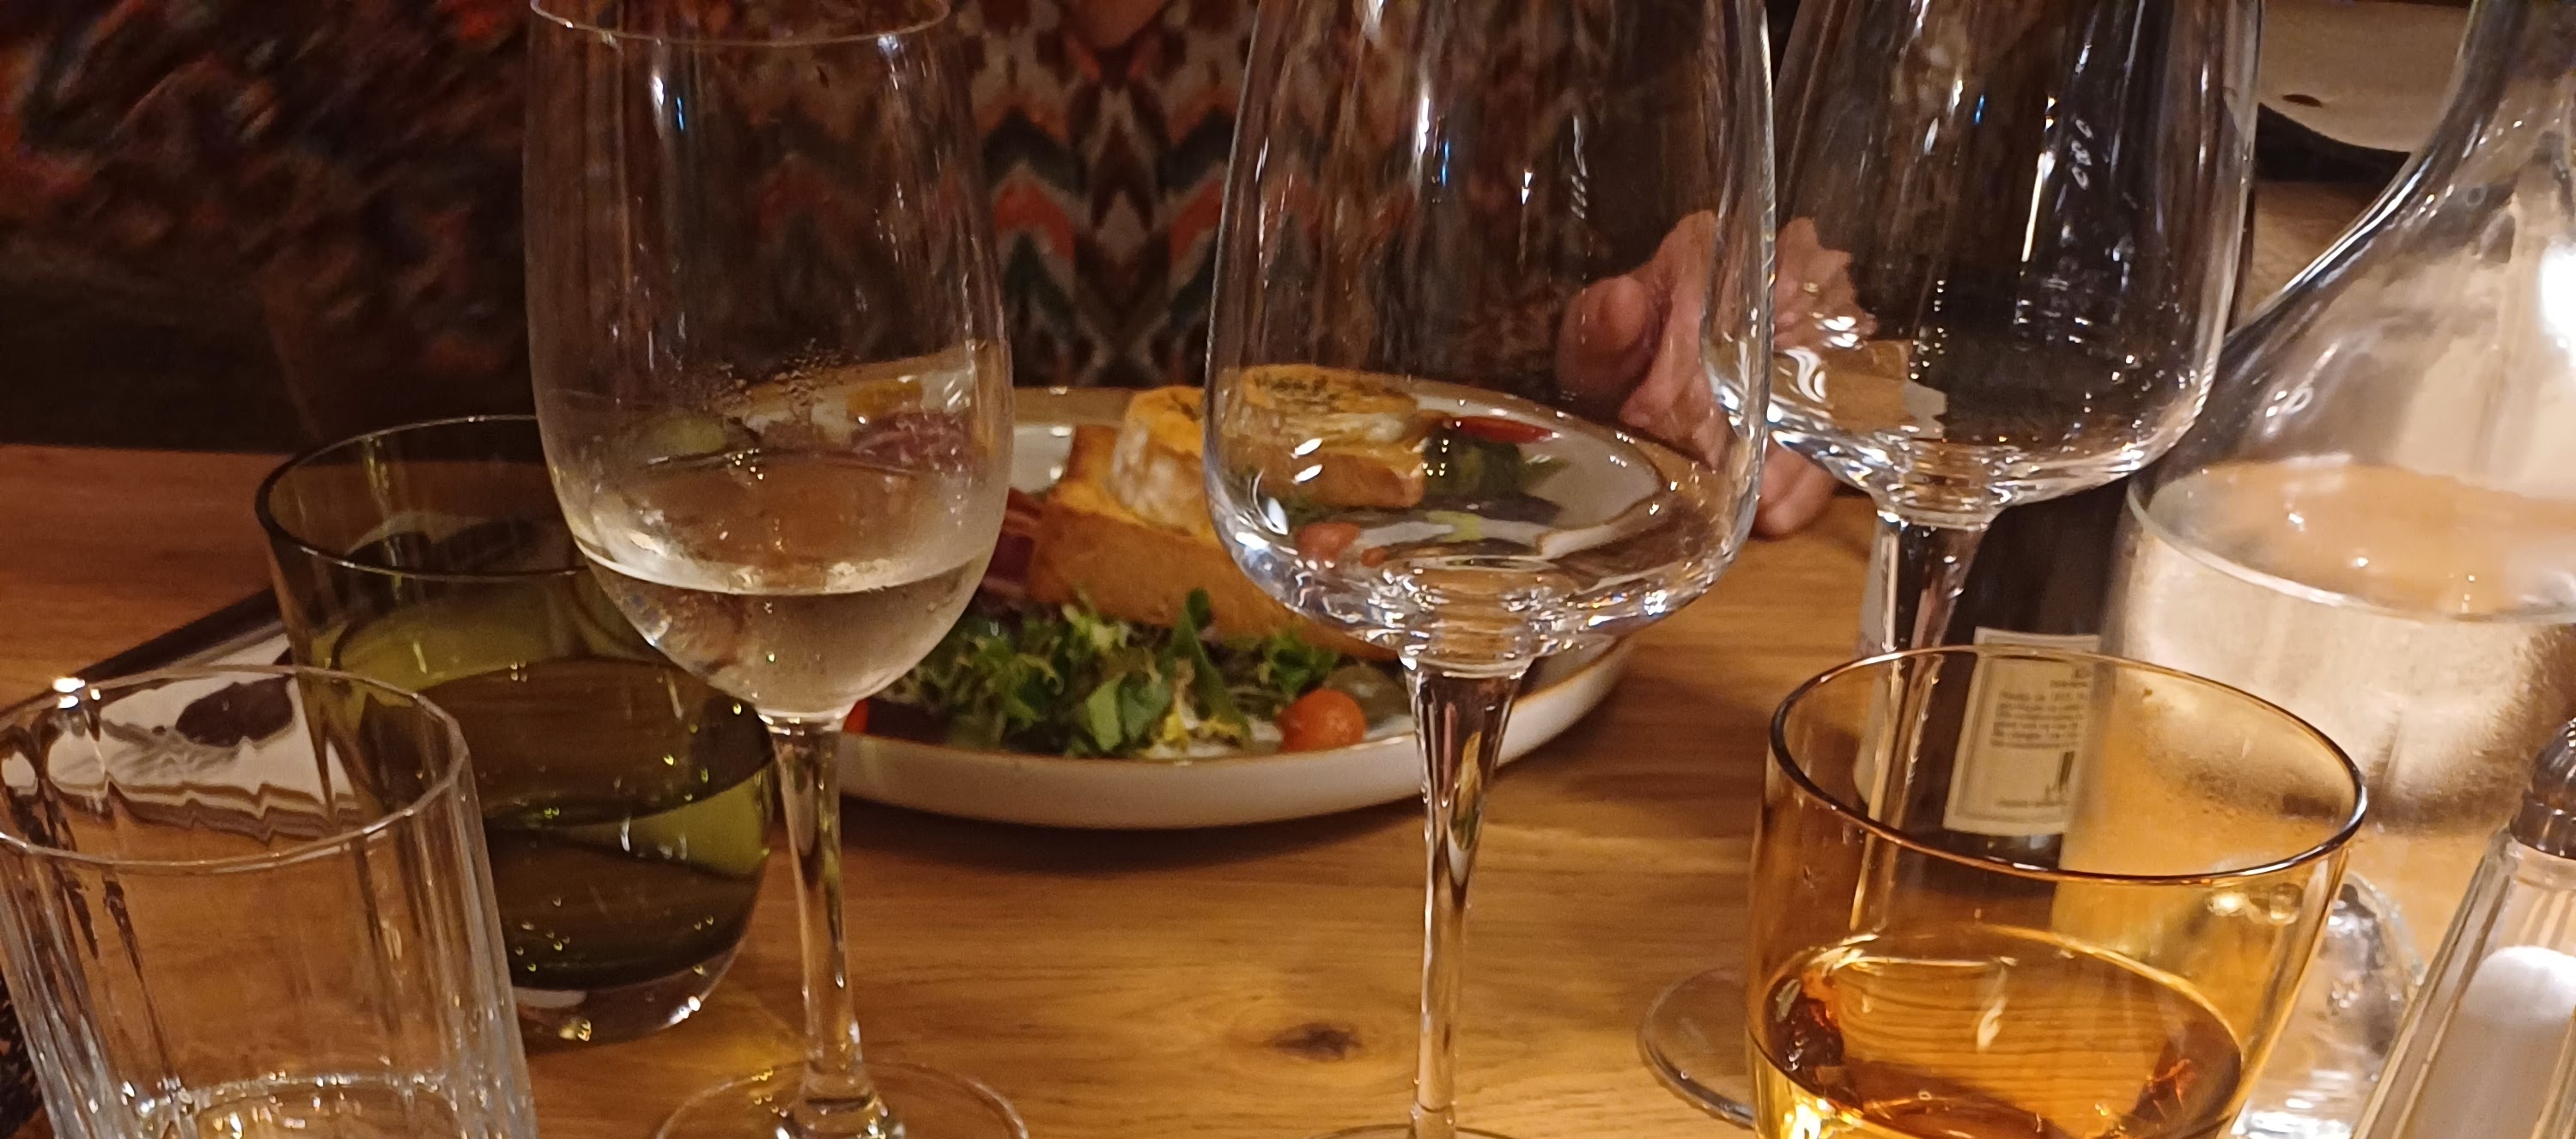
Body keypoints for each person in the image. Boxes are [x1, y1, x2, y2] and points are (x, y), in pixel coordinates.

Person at [3, 0, 1835, 535]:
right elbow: (75, 108)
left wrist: (1710, 303)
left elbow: (1643, 302)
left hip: (1433, 830)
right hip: (768, 827)